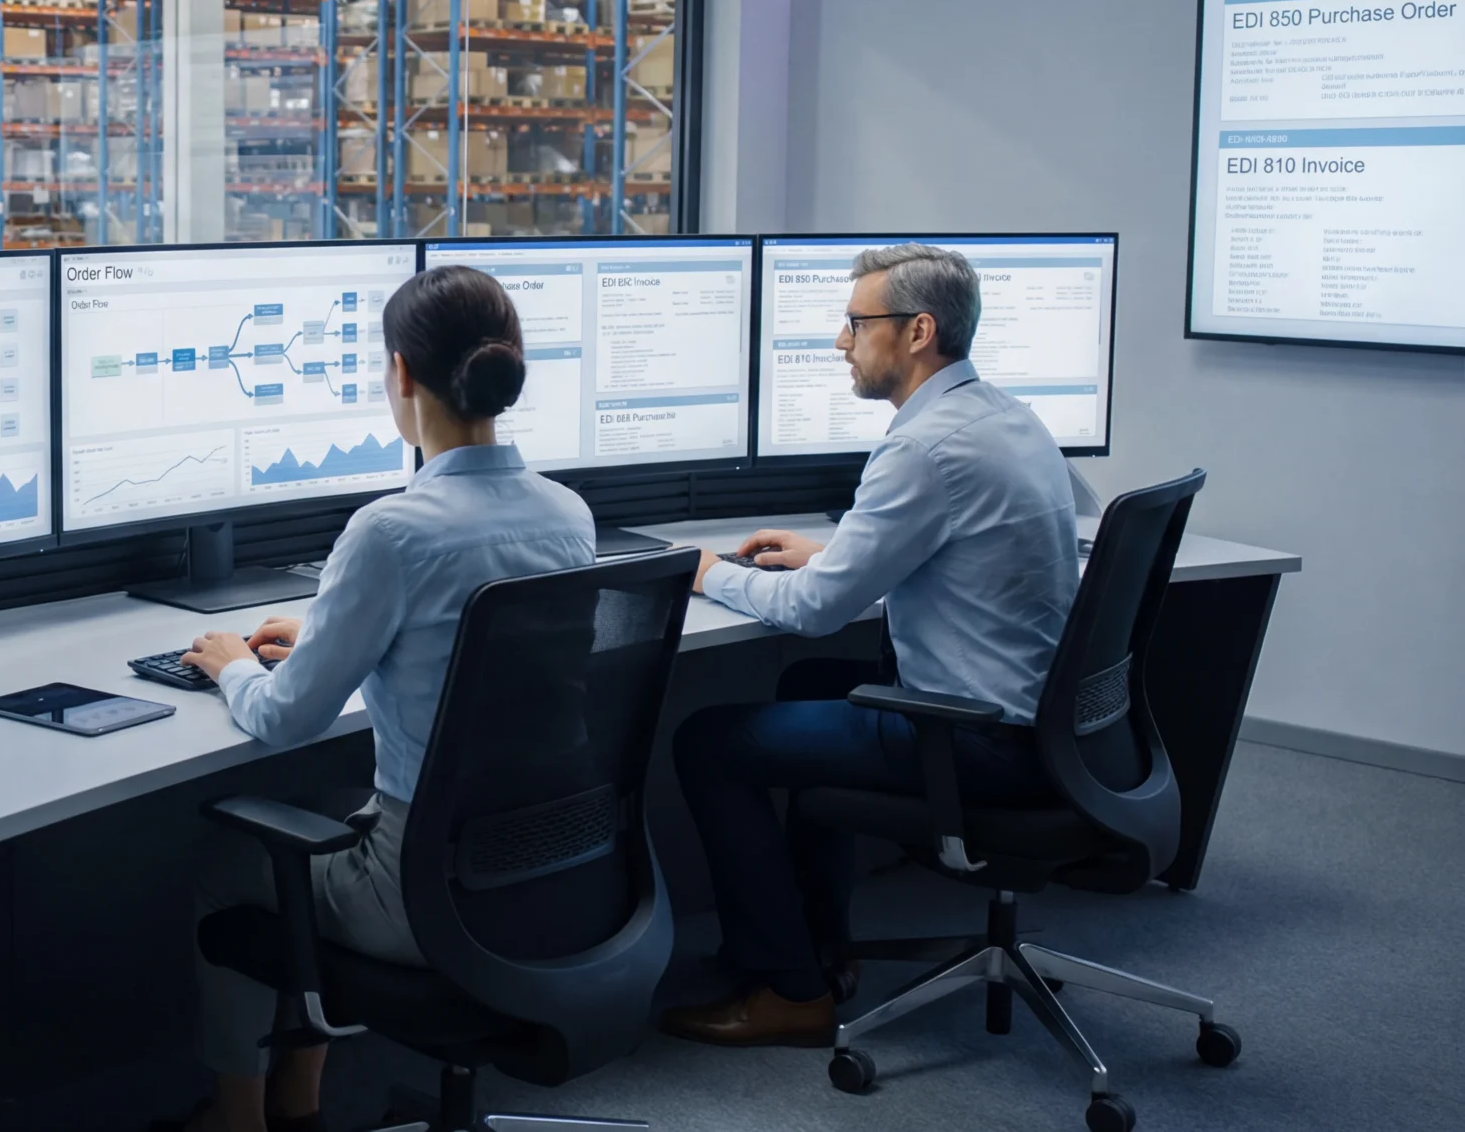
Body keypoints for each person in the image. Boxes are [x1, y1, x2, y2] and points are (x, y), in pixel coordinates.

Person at [167, 265, 597, 1132]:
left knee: (223, 863)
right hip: (553, 867)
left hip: (421, 897)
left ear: (400, 372)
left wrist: (233, 665)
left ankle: (240, 1120)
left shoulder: (389, 532)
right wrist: (342, 635)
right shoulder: (568, 514)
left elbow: (284, 717)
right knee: (332, 801)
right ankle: (301, 1098)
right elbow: (476, 660)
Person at [659, 243, 1079, 1048]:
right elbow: (957, 554)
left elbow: (813, 609)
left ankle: (789, 989)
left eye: (856, 322)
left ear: (918, 331)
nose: (839, 340)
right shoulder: (1003, 415)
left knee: (708, 743)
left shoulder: (922, 447)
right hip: (1041, 723)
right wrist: (837, 553)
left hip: (978, 740)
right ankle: (822, 946)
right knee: (809, 683)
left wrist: (709, 572)